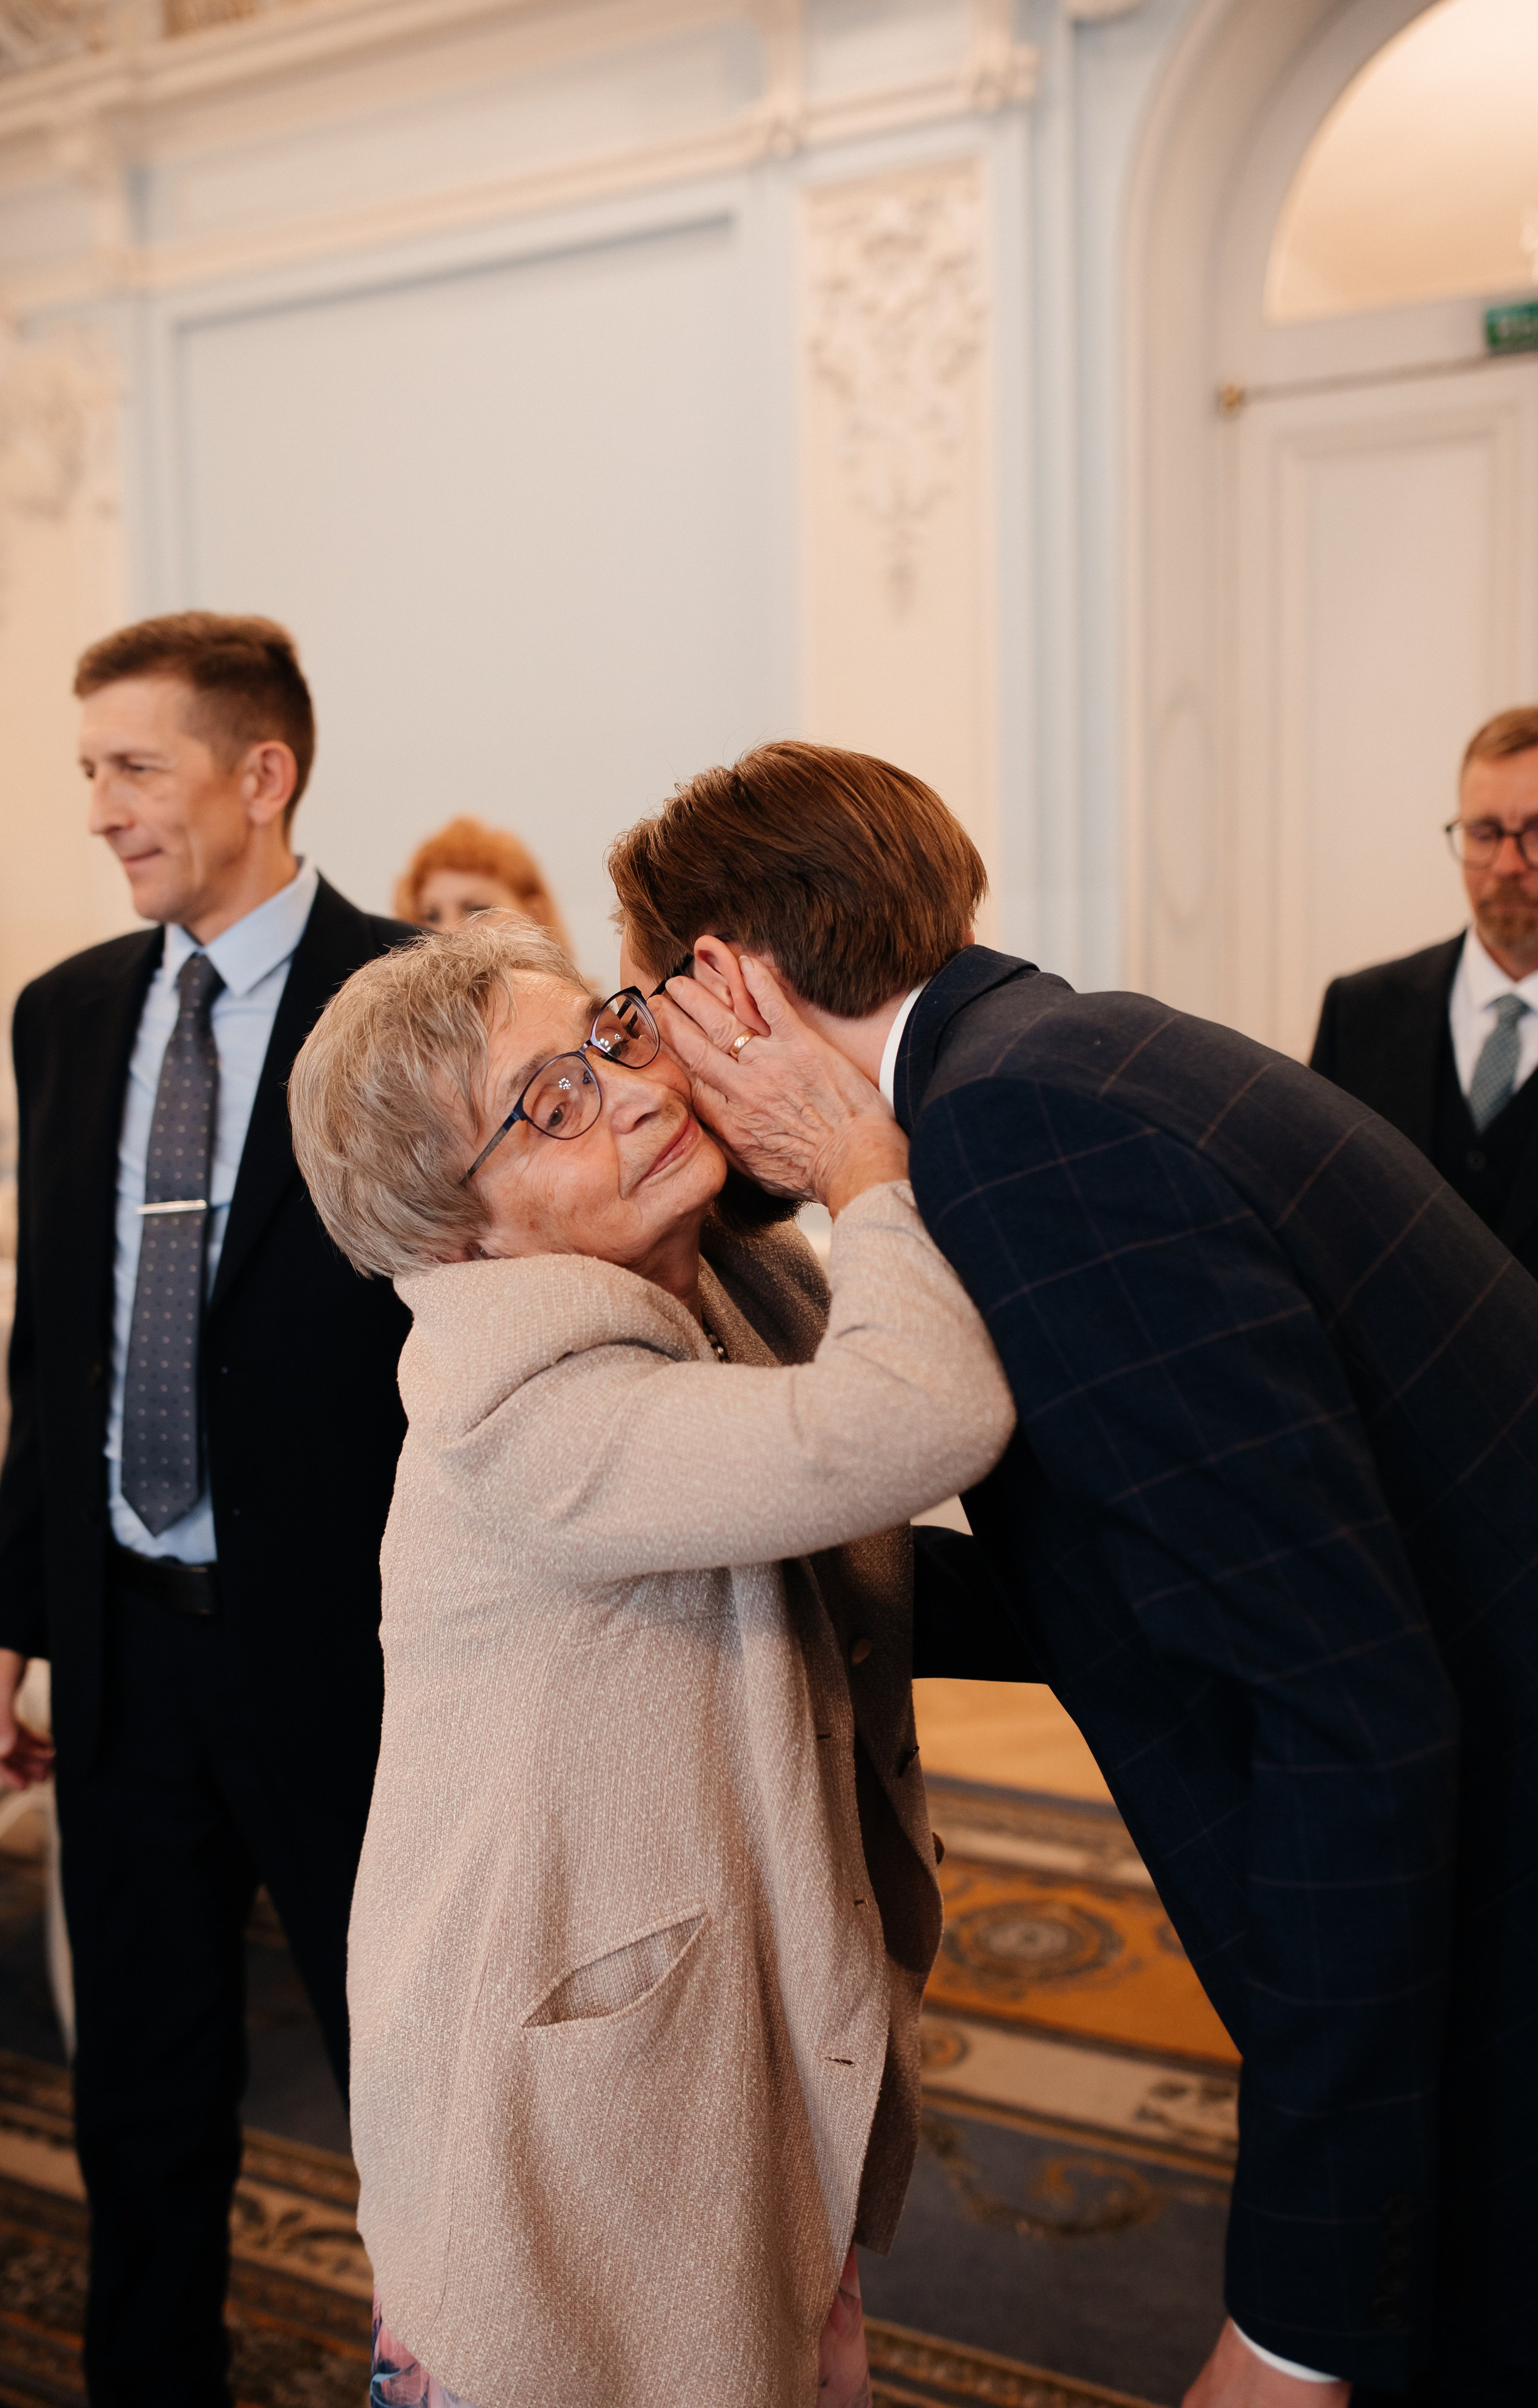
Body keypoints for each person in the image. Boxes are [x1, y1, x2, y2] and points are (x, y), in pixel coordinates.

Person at [607, 740, 1538, 2408]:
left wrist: (1297, 2321)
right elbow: (1156, 1551)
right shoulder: (1051, 1056)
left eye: (643, 1010)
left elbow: (1353, 1722)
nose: (654, 1073)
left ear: (724, 980)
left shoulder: (1014, 1142)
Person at [285, 914, 1011, 2408]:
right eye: (545, 1101)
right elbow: (916, 1414)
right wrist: (861, 1159)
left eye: (609, 1034)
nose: (624, 1088)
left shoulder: (723, 1275)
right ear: (453, 1229)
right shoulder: (517, 1398)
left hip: (690, 2009)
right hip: (561, 2075)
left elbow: (850, 1545)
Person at [0, 612, 414, 2407]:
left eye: (132, 768)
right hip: (128, 1657)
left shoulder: (406, 1004)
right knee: (140, 2099)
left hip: (348, 1660)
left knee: (413, 2087)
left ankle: (448, 2367)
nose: (98, 811)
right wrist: (14, 1616)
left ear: (262, 774)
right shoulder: (65, 1017)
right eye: (88, 771)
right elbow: (61, 1348)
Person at [1311, 706, 1538, 1275]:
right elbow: (1313, 1226)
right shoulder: (1357, 1014)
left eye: (1537, 832)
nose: (1507, 864)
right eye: (1484, 834)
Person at [394, 813, 571, 948]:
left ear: (535, 919)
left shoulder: (583, 998)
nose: (448, 933)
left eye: (476, 911)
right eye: (431, 917)